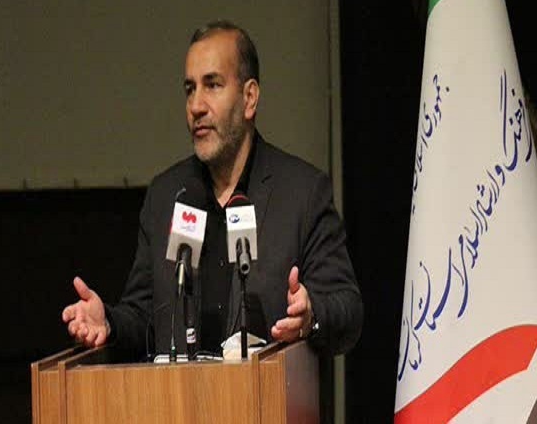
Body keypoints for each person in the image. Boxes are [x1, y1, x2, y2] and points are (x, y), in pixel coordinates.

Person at [62, 21, 362, 358]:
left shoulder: (302, 193)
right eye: (190, 89)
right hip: (178, 394)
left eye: (212, 85)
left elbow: (348, 311)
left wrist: (311, 315)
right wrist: (110, 323)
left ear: (249, 98)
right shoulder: (167, 196)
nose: (196, 106)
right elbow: (145, 317)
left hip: (268, 392)